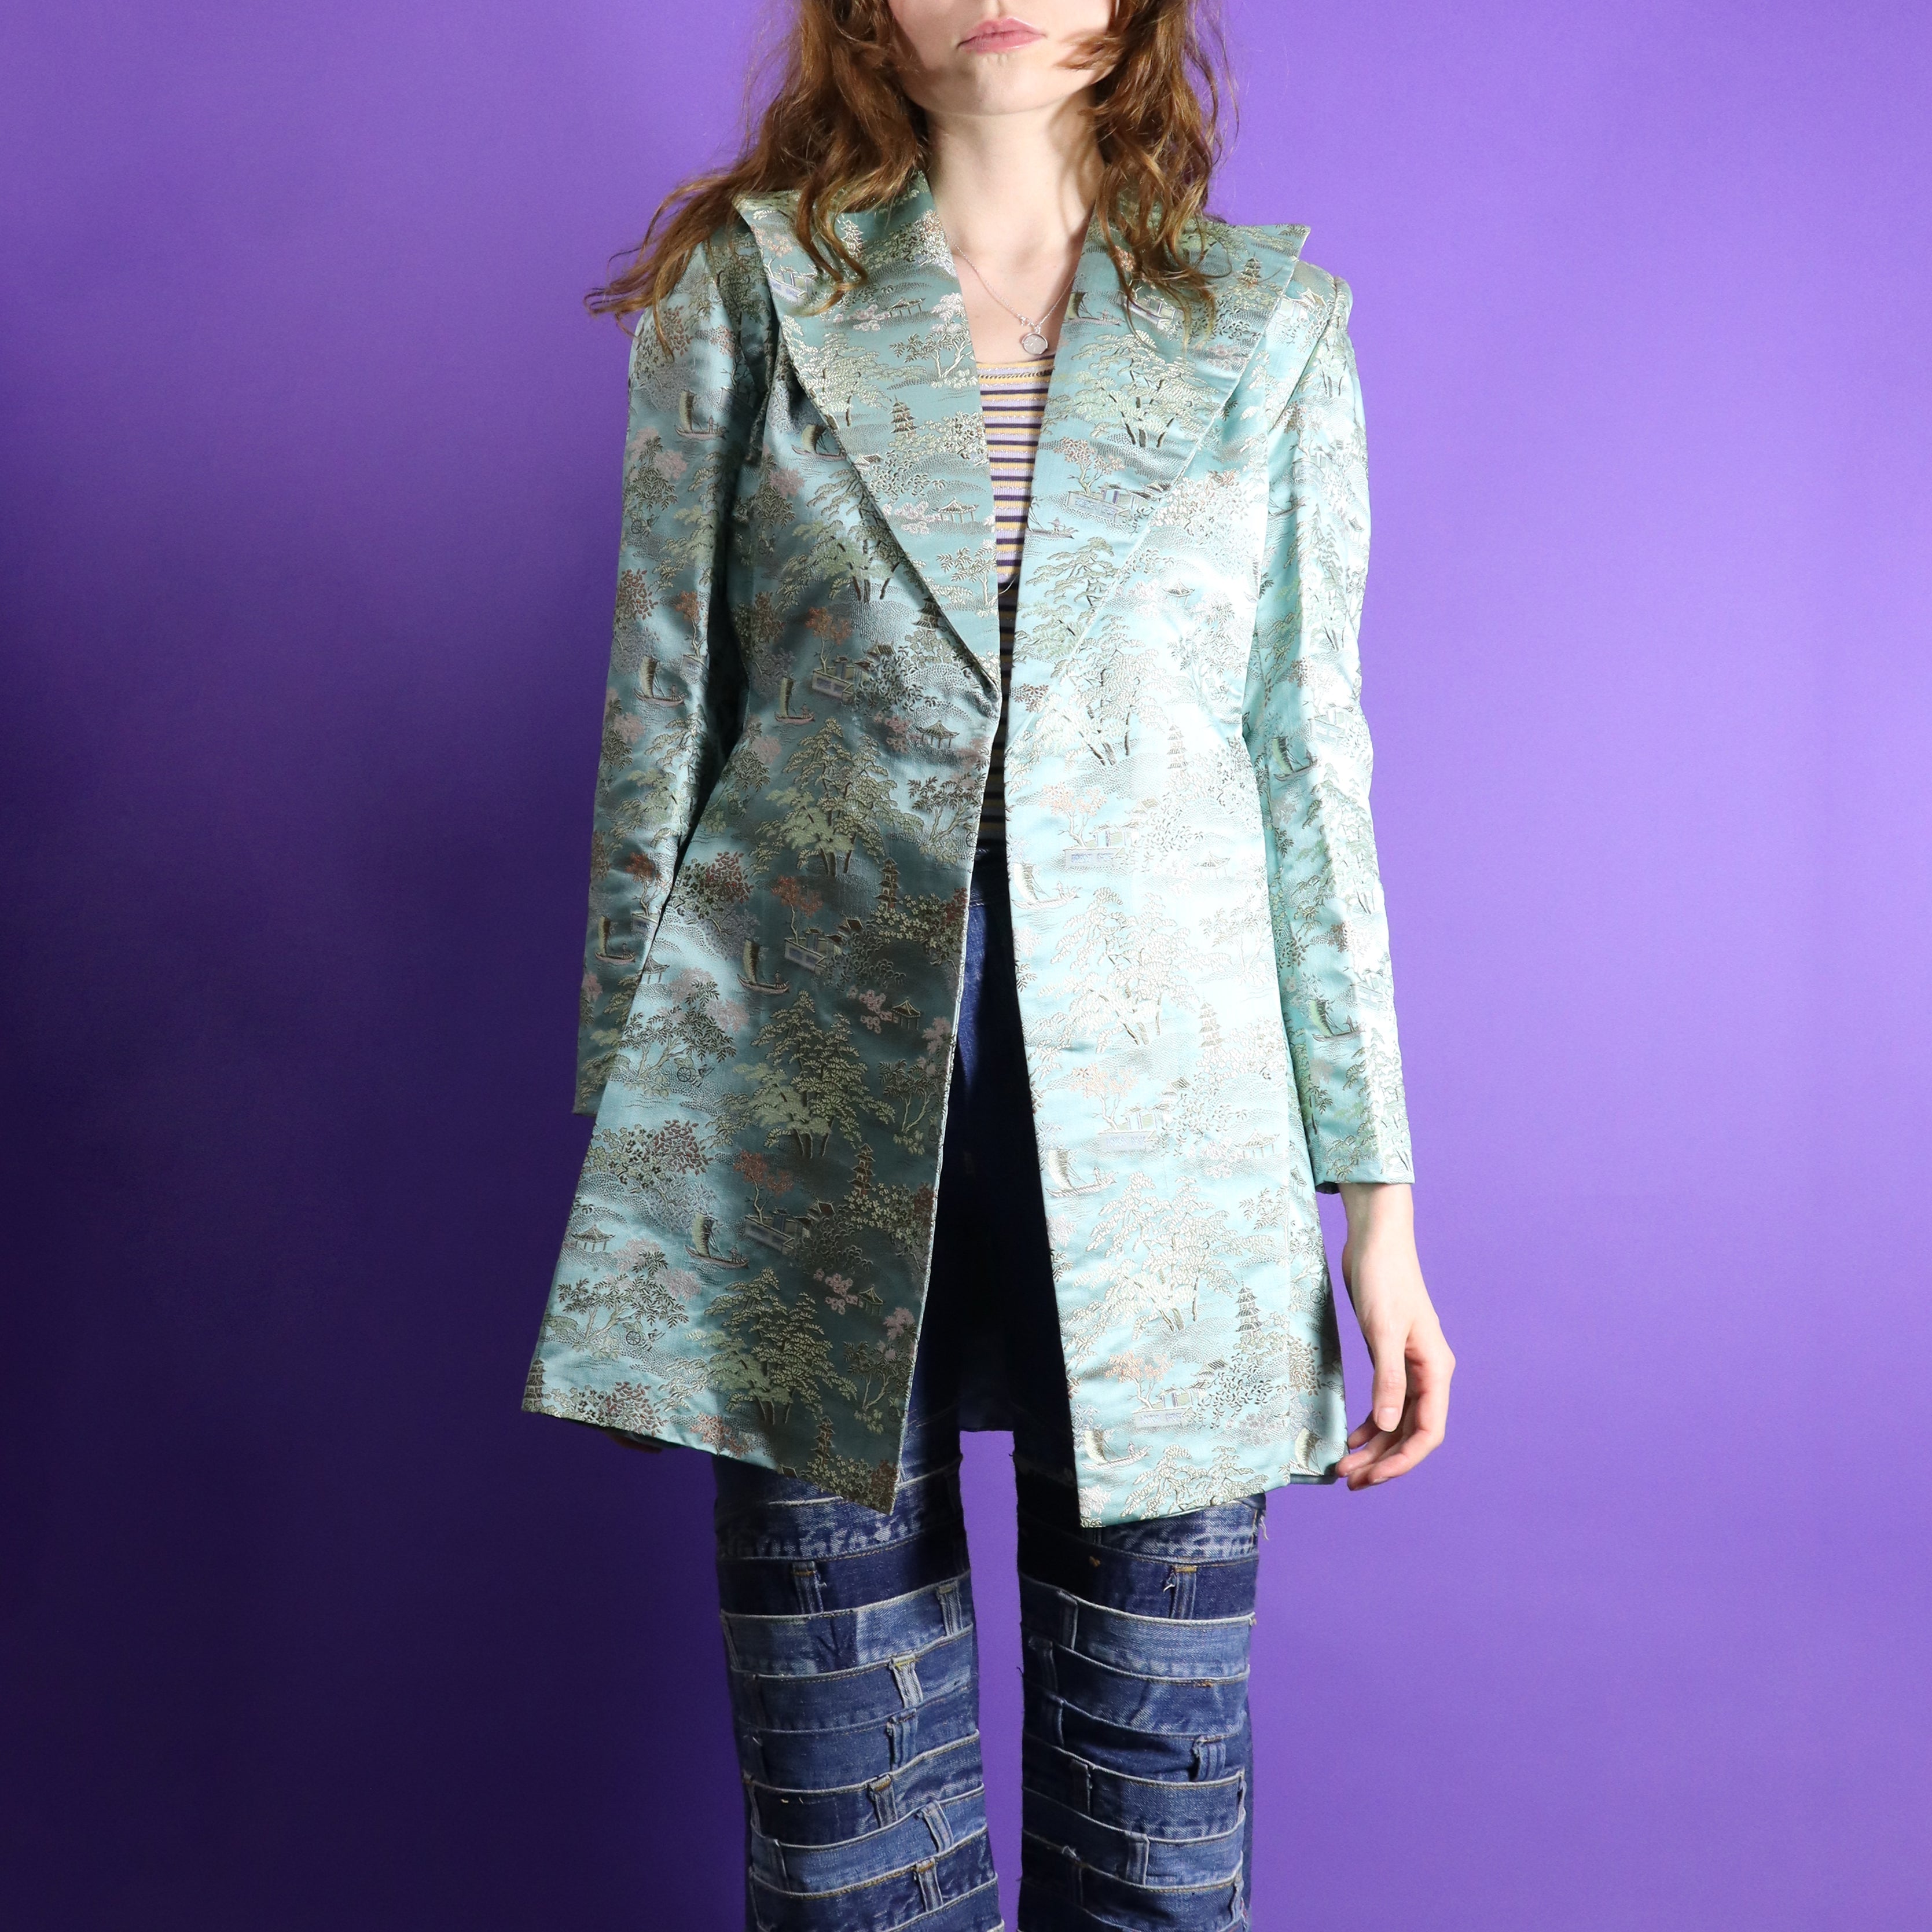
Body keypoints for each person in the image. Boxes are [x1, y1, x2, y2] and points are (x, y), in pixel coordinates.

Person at [522, 3, 1455, 1924]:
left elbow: (1307, 770)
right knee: (845, 1832)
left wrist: (1376, 1204)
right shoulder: (746, 296)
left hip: (1172, 1128)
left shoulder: (1267, 330)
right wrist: (642, 1155)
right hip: (795, 1110)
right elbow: (662, 714)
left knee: (1154, 1824)